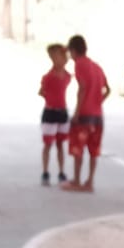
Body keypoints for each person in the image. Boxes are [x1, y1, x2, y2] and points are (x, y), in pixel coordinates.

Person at [64, 34, 110, 193]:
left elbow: (82, 87)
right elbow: (107, 89)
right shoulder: (96, 66)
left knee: (78, 149)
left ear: (73, 51)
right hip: (98, 116)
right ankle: (89, 181)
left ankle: (76, 180)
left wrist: (77, 112)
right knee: (93, 150)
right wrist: (97, 102)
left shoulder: (79, 64)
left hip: (84, 115)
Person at [39, 43, 72, 186]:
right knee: (48, 144)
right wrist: (50, 99)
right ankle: (45, 172)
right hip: (50, 112)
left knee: (60, 144)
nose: (55, 60)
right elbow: (41, 92)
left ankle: (61, 172)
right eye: (52, 57)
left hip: (62, 112)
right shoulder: (48, 77)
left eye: (58, 56)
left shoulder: (68, 76)